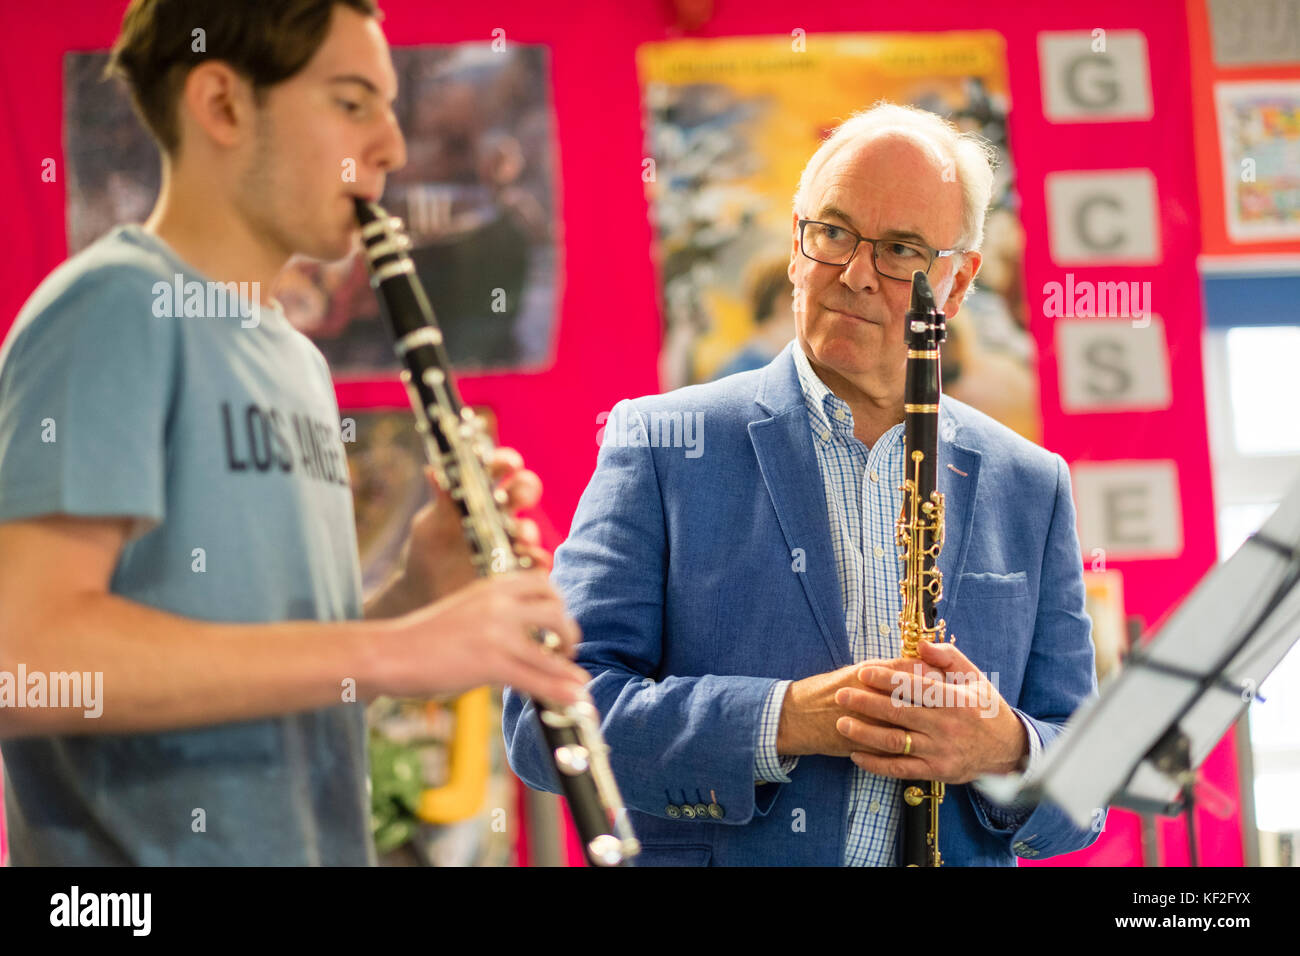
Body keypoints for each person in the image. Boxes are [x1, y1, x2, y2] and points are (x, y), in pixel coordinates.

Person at [0, 0, 588, 866]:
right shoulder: (112, 310)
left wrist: (410, 595)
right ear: (223, 105)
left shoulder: (297, 362)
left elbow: (268, 665)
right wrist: (393, 649)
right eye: (353, 103)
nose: (391, 145)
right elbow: (28, 660)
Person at [504, 102, 1104, 866]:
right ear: (795, 244)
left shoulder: (1032, 484)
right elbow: (545, 719)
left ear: (957, 285)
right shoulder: (659, 444)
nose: (855, 275)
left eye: (901, 250)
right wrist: (785, 719)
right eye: (833, 233)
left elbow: (1086, 791)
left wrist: (1005, 748)